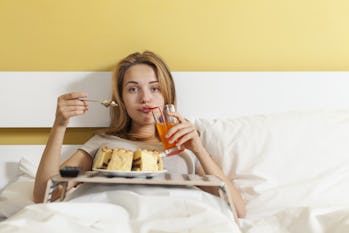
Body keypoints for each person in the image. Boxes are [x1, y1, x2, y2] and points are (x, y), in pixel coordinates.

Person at [33, 51, 246, 218]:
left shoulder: (184, 147)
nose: (145, 98)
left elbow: (238, 210)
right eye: (133, 89)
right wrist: (60, 125)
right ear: (121, 99)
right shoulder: (103, 145)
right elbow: (44, 196)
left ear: (167, 95)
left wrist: (198, 150)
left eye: (155, 89)